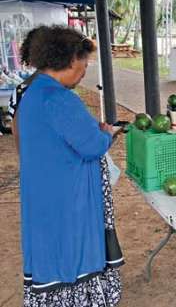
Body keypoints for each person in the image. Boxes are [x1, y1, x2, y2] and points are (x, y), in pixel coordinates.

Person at [17, 26, 124, 306]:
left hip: (43, 194)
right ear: (69, 60)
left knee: (49, 252)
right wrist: (106, 133)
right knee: (70, 260)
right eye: (84, 63)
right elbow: (92, 146)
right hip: (67, 198)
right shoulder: (60, 99)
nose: (85, 70)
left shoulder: (33, 93)